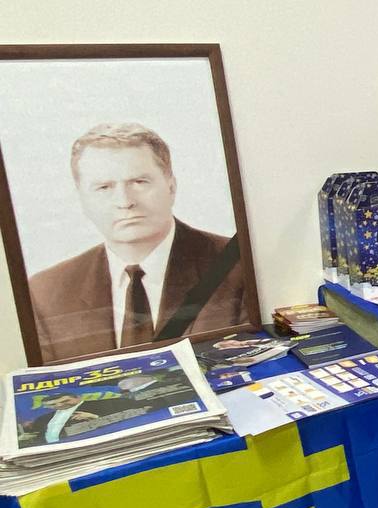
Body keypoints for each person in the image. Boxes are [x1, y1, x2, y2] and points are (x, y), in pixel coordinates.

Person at [28, 123, 252, 363]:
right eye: (104, 187)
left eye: (139, 182)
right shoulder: (47, 293)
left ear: (171, 186)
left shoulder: (237, 266)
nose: (125, 202)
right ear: (82, 198)